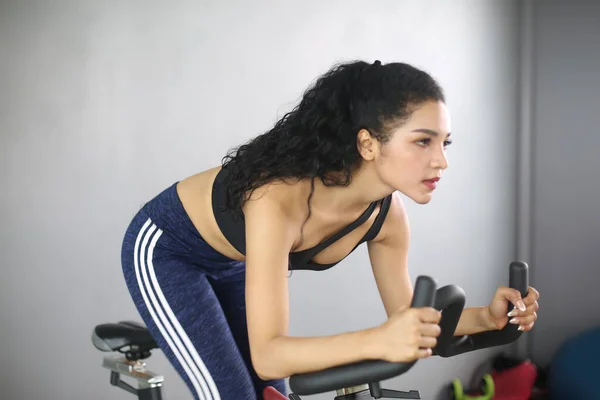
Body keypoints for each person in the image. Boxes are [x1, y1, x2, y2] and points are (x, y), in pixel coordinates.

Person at [120, 60, 540, 400]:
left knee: (271, 395)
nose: (441, 161)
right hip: (167, 249)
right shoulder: (279, 198)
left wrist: (486, 317)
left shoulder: (387, 217)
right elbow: (269, 354)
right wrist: (378, 341)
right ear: (369, 143)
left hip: (236, 260)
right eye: (422, 141)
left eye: (444, 143)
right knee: (231, 395)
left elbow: (406, 316)